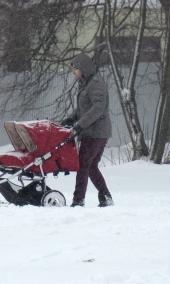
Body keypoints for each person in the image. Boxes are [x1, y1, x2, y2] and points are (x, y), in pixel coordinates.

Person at [62, 53, 114, 207]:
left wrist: (80, 124)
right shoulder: (86, 83)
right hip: (91, 131)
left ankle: (78, 200)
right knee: (90, 166)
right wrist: (71, 119)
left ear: (83, 68)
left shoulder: (96, 84)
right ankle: (106, 197)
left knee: (83, 165)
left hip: (96, 132)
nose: (74, 73)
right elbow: (83, 110)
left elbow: (98, 108)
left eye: (75, 70)